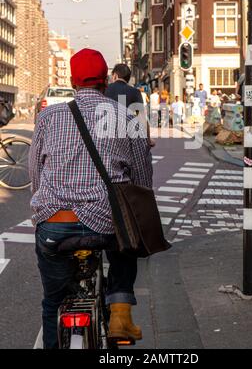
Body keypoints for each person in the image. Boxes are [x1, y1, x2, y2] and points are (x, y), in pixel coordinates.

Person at [29, 48, 153, 349]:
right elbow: (141, 178)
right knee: (126, 244)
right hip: (107, 223)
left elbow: (35, 172)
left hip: (55, 225)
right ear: (104, 80)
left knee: (53, 302)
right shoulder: (125, 117)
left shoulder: (48, 116)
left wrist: (43, 203)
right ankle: (120, 312)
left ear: (72, 80)